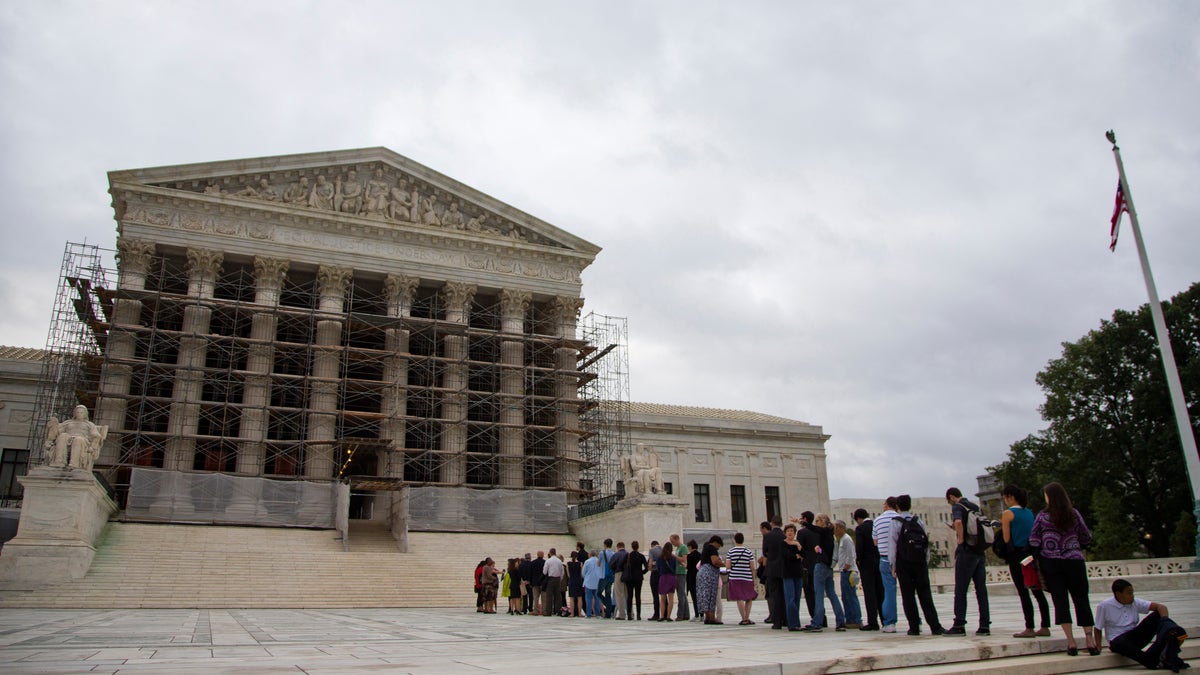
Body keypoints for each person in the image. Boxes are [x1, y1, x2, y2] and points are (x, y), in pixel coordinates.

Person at [1029, 481, 1096, 656]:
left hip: (1051, 562)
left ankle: (1071, 642)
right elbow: (1086, 536)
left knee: (1060, 601)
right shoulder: (1073, 514)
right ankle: (1089, 640)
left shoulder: (1043, 517)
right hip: (1074, 561)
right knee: (1081, 599)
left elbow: (1034, 540)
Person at [1095, 579, 1190, 671]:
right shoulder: (1104, 606)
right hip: (1118, 641)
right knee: (1120, 642)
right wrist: (1098, 646)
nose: (1132, 596)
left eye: (1132, 592)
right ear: (1118, 594)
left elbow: (1161, 607)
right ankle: (1152, 661)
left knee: (1158, 615)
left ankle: (1164, 649)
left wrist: (1165, 621)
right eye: (1129, 593)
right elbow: (1098, 627)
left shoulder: (1135, 602)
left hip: (1135, 637)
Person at [999, 484, 1051, 638]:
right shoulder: (1029, 512)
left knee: (1023, 592)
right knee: (1037, 590)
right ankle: (1045, 625)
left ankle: (1029, 626)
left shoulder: (1007, 514)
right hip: (1031, 555)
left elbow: (1007, 538)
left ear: (1010, 497)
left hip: (1016, 555)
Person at [890, 494, 944, 636]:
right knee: (925, 594)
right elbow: (925, 542)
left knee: (908, 596)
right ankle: (935, 626)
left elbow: (893, 545)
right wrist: (925, 560)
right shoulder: (918, 520)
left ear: (897, 506)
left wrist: (893, 565)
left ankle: (914, 627)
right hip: (919, 562)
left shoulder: (895, 522)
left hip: (903, 563)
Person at [945, 487, 991, 636]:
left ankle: (959, 624)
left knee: (961, 590)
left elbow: (958, 522)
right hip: (979, 551)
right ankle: (984, 625)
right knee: (981, 590)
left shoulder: (958, 506)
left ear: (952, 497)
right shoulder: (974, 506)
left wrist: (960, 538)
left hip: (967, 552)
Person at [803, 514, 845, 632]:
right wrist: (819, 549)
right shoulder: (830, 535)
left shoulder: (825, 531)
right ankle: (840, 621)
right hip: (828, 568)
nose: (816, 523)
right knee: (832, 594)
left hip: (821, 567)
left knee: (819, 595)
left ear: (823, 522)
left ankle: (817, 622)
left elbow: (815, 529)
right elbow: (827, 551)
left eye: (817, 521)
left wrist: (804, 523)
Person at [872, 496, 901, 633]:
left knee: (889, 592)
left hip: (885, 559)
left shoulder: (878, 520)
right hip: (902, 559)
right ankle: (916, 621)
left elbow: (875, 542)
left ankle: (889, 623)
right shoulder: (901, 519)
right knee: (909, 591)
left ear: (886, 505)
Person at [854, 508, 883, 631]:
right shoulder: (876, 525)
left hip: (867, 564)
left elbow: (859, 548)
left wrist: (859, 561)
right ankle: (885, 619)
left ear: (858, 519)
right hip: (880, 562)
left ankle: (872, 621)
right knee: (881, 592)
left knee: (870, 594)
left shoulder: (861, 529)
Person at [834, 519, 862, 629]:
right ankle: (850, 619)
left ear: (841, 528)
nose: (835, 531)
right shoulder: (840, 540)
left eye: (836, 528)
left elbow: (851, 555)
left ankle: (855, 619)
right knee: (846, 597)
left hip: (848, 571)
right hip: (844, 571)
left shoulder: (846, 539)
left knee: (850, 596)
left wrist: (846, 566)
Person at [725, 532, 757, 625]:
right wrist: (753, 579)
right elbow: (752, 567)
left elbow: (728, 566)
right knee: (749, 598)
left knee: (739, 598)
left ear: (735, 540)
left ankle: (743, 618)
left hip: (734, 577)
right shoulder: (748, 552)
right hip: (746, 577)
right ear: (743, 540)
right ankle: (747, 617)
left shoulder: (730, 551)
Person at [763, 515, 787, 629]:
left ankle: (776, 621)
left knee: (774, 595)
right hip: (783, 568)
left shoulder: (768, 536)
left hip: (772, 568)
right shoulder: (784, 535)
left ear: (772, 523)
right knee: (784, 594)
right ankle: (785, 619)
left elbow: (765, 551)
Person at [781, 523, 806, 631]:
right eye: (788, 531)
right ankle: (792, 623)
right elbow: (787, 556)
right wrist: (797, 556)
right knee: (790, 598)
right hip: (788, 573)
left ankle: (797, 622)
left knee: (797, 598)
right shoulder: (783, 544)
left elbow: (804, 555)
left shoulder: (797, 543)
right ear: (785, 533)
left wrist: (799, 548)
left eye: (792, 531)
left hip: (798, 572)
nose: (790, 533)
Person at [697, 535, 726, 625]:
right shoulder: (712, 549)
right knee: (711, 596)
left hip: (702, 574)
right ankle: (712, 618)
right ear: (715, 542)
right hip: (709, 574)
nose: (718, 548)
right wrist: (725, 565)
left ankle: (708, 618)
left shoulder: (705, 549)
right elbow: (715, 561)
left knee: (704, 596)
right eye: (719, 546)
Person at [622, 540, 648, 620]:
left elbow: (622, 565)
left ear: (632, 547)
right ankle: (638, 614)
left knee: (629, 596)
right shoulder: (641, 556)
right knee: (638, 596)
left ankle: (629, 614)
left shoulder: (628, 555)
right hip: (638, 578)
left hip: (629, 578)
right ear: (638, 547)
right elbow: (647, 567)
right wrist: (642, 572)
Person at [669, 533, 690, 621]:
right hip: (676, 572)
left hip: (681, 572)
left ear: (677, 539)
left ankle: (680, 615)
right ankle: (686, 614)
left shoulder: (683, 547)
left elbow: (684, 560)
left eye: (672, 541)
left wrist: (674, 556)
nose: (672, 543)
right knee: (682, 594)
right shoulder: (677, 548)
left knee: (681, 594)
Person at [656, 542, 677, 621]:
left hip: (663, 577)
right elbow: (675, 568)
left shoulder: (660, 558)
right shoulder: (673, 558)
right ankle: (668, 616)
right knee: (671, 598)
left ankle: (662, 616)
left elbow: (658, 568)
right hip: (671, 577)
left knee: (662, 598)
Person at [597, 538, 616, 618]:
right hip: (611, 576)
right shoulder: (613, 553)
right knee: (608, 593)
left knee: (598, 593)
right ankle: (608, 612)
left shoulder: (602, 553)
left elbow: (598, 563)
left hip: (603, 575)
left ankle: (609, 606)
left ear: (605, 544)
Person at [543, 548, 565, 617]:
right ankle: (558, 611)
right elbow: (562, 572)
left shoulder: (548, 561)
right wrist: (560, 579)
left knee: (549, 596)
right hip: (558, 579)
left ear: (550, 553)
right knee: (558, 596)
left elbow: (544, 571)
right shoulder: (559, 561)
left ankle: (548, 612)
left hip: (551, 579)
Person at [610, 541, 629, 619]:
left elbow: (611, 565)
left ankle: (622, 614)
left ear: (618, 547)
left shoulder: (616, 554)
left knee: (619, 595)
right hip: (628, 575)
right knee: (628, 595)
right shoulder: (628, 554)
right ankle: (631, 613)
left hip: (619, 574)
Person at [582, 550, 603, 618]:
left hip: (588, 582)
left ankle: (589, 614)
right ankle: (598, 614)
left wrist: (586, 577)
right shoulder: (599, 561)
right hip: (597, 582)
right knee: (597, 598)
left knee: (588, 598)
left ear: (590, 554)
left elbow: (583, 572)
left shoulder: (587, 561)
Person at [686, 539, 702, 620]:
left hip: (692, 578)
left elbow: (688, 567)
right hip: (699, 577)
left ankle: (696, 614)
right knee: (700, 597)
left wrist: (683, 564)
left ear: (690, 547)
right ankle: (702, 615)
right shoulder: (700, 555)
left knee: (694, 597)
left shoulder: (690, 556)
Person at [528, 550, 546, 617]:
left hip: (534, 582)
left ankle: (535, 611)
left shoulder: (532, 563)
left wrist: (530, 581)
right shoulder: (545, 562)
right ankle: (544, 611)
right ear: (543, 555)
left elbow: (530, 573)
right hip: (543, 582)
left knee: (535, 597)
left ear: (537, 555)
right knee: (544, 598)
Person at [648, 540, 663, 620]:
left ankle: (656, 614)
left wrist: (650, 568)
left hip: (655, 573)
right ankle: (665, 613)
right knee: (663, 595)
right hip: (662, 573)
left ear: (652, 545)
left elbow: (650, 562)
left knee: (655, 595)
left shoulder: (652, 550)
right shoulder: (663, 549)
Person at [567, 551, 584, 617]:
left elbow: (568, 575)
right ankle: (579, 613)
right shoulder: (580, 563)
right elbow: (581, 574)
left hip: (571, 581)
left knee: (572, 598)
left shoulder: (568, 564)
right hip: (578, 581)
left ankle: (572, 613)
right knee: (579, 597)